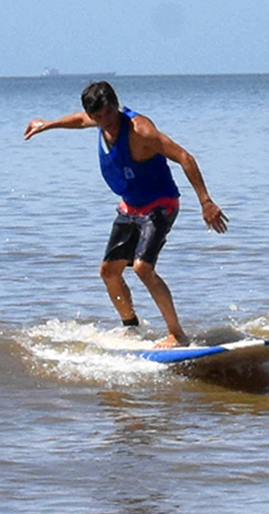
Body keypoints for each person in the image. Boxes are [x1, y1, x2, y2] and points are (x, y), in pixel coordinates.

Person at [19, 80, 228, 344]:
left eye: (109, 113)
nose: (106, 121)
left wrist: (206, 201)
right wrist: (47, 124)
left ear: (116, 105)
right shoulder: (98, 120)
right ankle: (131, 326)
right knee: (109, 271)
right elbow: (79, 120)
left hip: (160, 204)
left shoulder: (140, 130)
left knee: (142, 268)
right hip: (131, 207)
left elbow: (184, 157)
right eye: (99, 116)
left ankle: (177, 334)